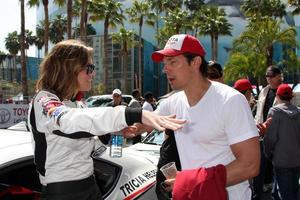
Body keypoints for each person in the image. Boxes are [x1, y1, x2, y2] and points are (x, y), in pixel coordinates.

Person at [27, 40, 186, 200]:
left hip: (90, 185)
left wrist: (115, 133)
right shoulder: (44, 99)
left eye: (93, 68)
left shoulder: (77, 103)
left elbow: (88, 141)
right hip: (62, 192)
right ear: (68, 68)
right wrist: (130, 114)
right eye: (89, 68)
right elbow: (67, 122)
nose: (93, 74)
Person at [132, 34, 260, 200]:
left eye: (173, 62)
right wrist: (128, 125)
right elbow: (146, 123)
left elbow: (250, 165)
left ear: (195, 62)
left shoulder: (230, 101)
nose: (165, 69)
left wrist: (190, 181)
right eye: (165, 64)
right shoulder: (174, 101)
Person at [264, 84, 300, 200]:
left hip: (281, 160)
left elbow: (270, 138)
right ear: (292, 96)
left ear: (277, 96)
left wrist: (268, 153)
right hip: (297, 159)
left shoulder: (274, 112)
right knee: (294, 191)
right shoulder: (299, 112)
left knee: (285, 193)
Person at [253, 65, 282, 200]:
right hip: (262, 133)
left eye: (271, 76)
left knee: (278, 166)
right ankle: (257, 193)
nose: (269, 79)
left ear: (279, 76)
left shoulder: (285, 92)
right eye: (267, 76)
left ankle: (276, 193)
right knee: (260, 165)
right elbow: (259, 112)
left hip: (278, 136)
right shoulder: (264, 91)